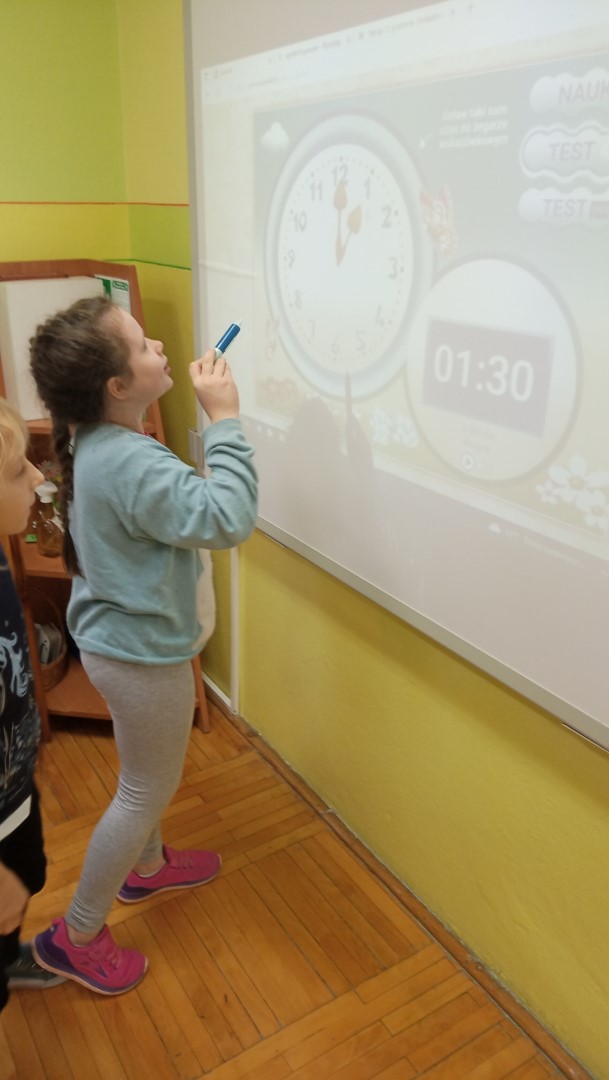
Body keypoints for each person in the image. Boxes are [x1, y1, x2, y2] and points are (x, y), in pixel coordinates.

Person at [28, 295, 258, 995]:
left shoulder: (103, 443)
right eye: (142, 344)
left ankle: (149, 866)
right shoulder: (128, 460)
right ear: (117, 387)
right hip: (139, 657)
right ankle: (76, 936)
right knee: (141, 790)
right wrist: (225, 420)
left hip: (123, 644)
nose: (158, 345)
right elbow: (228, 517)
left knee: (144, 774)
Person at [0, 398, 65, 1011]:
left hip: (13, 783)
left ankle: (6, 956)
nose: (38, 477)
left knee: (27, 878)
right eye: (21, 470)